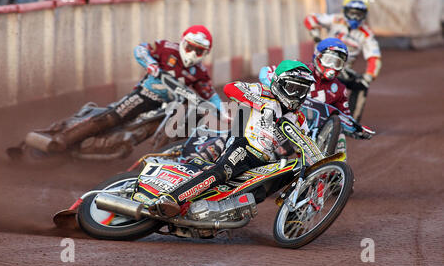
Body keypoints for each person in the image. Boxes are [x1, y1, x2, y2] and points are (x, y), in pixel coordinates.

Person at [148, 60, 322, 218]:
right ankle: (171, 198)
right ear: (279, 84)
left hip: (265, 160)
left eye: (302, 90)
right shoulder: (264, 92)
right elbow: (230, 88)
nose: (298, 95)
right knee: (222, 172)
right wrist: (258, 104)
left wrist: (323, 168)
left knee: (262, 191)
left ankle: (292, 222)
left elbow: (305, 145)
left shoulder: (299, 118)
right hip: (244, 145)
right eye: (293, 88)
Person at [41, 25, 223, 152]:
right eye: (190, 47)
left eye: (198, 51)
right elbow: (141, 49)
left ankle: (158, 162)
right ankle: (62, 140)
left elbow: (210, 94)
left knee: (186, 120)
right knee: (113, 117)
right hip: (147, 95)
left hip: (169, 107)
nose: (192, 53)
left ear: (205, 53)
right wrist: (150, 63)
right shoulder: (166, 48)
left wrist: (223, 113)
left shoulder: (200, 71)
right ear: (183, 42)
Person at [259, 37, 362, 157]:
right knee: (267, 150)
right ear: (318, 56)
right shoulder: (299, 67)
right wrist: (274, 85)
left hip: (308, 132)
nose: (332, 67)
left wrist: (358, 129)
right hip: (282, 118)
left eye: (337, 63)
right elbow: (265, 72)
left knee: (340, 135)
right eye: (329, 60)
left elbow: (345, 117)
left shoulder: (340, 88)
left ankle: (337, 170)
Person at [304, 0, 382, 122]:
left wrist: (369, 76)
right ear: (345, 11)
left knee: (362, 84)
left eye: (359, 14)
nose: (355, 17)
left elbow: (374, 57)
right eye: (352, 13)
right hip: (321, 63)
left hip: (342, 69)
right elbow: (310, 19)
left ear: (365, 15)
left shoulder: (366, 33)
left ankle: (351, 122)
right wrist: (315, 35)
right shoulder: (336, 19)